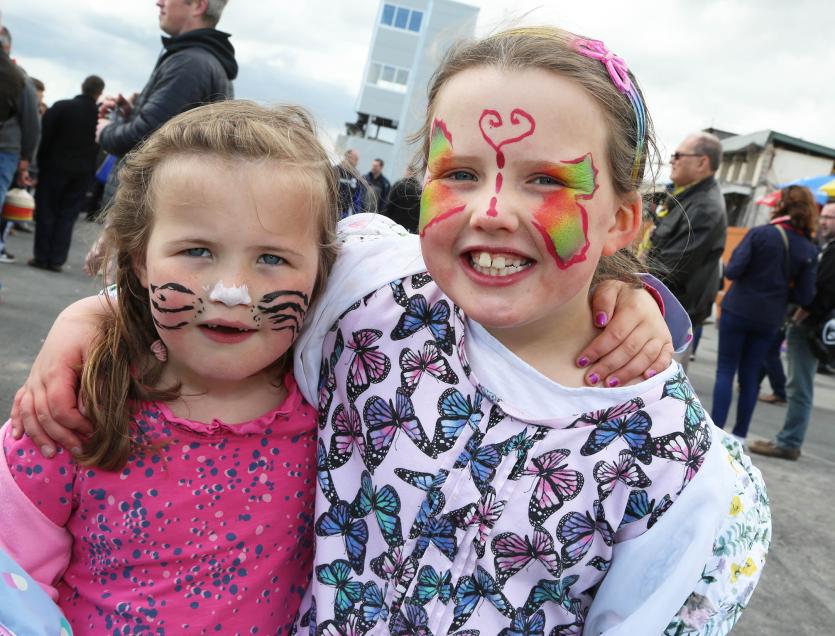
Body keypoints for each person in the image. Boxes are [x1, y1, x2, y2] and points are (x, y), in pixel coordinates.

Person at [10, 27, 767, 636]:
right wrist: (94, 316)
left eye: (545, 180)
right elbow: (230, 279)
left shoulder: (677, 472)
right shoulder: (370, 292)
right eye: (460, 173)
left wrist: (627, 290)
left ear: (624, 219)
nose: (491, 211)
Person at [0, 101, 339, 633]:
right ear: (140, 259)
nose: (231, 291)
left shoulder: (339, 413)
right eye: (197, 250)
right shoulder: (74, 408)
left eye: (272, 258)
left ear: (323, 271)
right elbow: (11, 579)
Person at [86, 0, 237, 274]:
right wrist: (133, 112)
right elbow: (166, 134)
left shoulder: (189, 63)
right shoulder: (204, 60)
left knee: (122, 298)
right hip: (163, 218)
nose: (159, 2)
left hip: (149, 219)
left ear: (198, 5)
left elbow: (144, 141)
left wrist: (106, 130)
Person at [710, 185, 818, 446]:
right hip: (770, 318)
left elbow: (733, 271)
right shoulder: (808, 248)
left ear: (781, 205)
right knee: (750, 376)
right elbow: (805, 297)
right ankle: (739, 436)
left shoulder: (761, 233)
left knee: (726, 370)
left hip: (738, 309)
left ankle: (715, 433)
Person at [750, 202, 835, 459]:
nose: (824, 221)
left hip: (809, 327)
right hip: (808, 325)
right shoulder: (824, 246)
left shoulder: (832, 251)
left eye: (830, 218)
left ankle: (789, 442)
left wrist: (798, 318)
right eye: (823, 216)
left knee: (799, 387)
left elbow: (823, 292)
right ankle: (788, 440)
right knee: (798, 385)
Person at [650, 131, 728, 369]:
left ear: (702, 162)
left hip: (670, 316)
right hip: (664, 310)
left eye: (678, 155)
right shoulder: (687, 197)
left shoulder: (704, 207)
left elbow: (669, 269)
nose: (672, 160)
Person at [29, 75, 105, 272]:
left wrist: (39, 165)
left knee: (47, 211)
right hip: (82, 173)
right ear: (99, 93)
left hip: (53, 168)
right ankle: (57, 259)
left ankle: (41, 256)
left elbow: (44, 137)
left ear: (82, 86)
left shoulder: (61, 107)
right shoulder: (98, 116)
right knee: (67, 216)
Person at [0, 25, 40, 263]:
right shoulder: (19, 78)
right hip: (6, 150)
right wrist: (26, 159)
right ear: (8, 46)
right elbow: (31, 122)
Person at [335, 148, 366, 217]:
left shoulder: (357, 176)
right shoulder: (334, 171)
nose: (357, 163)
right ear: (347, 157)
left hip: (347, 215)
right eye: (355, 159)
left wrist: (356, 216)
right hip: (331, 212)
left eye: (357, 160)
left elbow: (357, 199)